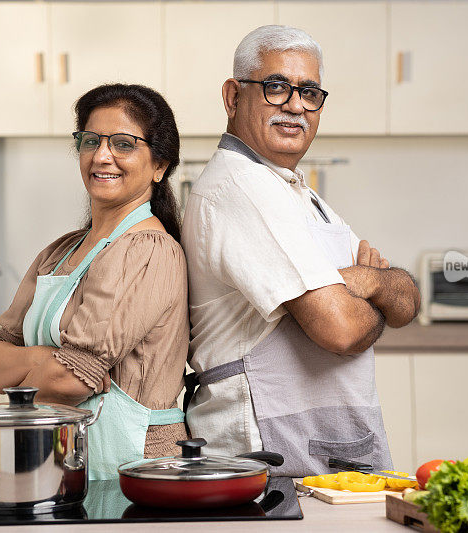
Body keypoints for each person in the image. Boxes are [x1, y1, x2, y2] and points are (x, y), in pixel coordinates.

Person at [181, 25, 421, 476]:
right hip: (269, 452)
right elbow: (342, 330)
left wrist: (367, 281)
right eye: (276, 87)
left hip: (322, 442)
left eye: (309, 92)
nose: (295, 105)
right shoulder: (242, 186)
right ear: (233, 97)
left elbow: (407, 301)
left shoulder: (297, 193)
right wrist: (365, 299)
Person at [0, 84, 189, 479]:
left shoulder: (148, 250)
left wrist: (41, 369)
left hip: (129, 467)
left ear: (159, 166)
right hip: (61, 454)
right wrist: (45, 361)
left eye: (123, 144)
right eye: (90, 141)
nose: (102, 155)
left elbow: (71, 379)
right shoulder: (61, 251)